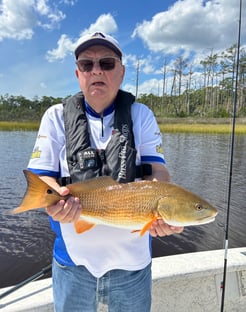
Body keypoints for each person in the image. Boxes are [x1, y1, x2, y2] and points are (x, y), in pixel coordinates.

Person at [27, 32, 183, 312]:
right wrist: (53, 199)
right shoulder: (55, 116)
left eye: (107, 63)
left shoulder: (141, 114)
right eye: (87, 65)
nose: (96, 70)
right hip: (72, 263)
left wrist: (165, 208)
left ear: (121, 72)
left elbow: (159, 171)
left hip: (132, 265)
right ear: (78, 73)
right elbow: (41, 176)